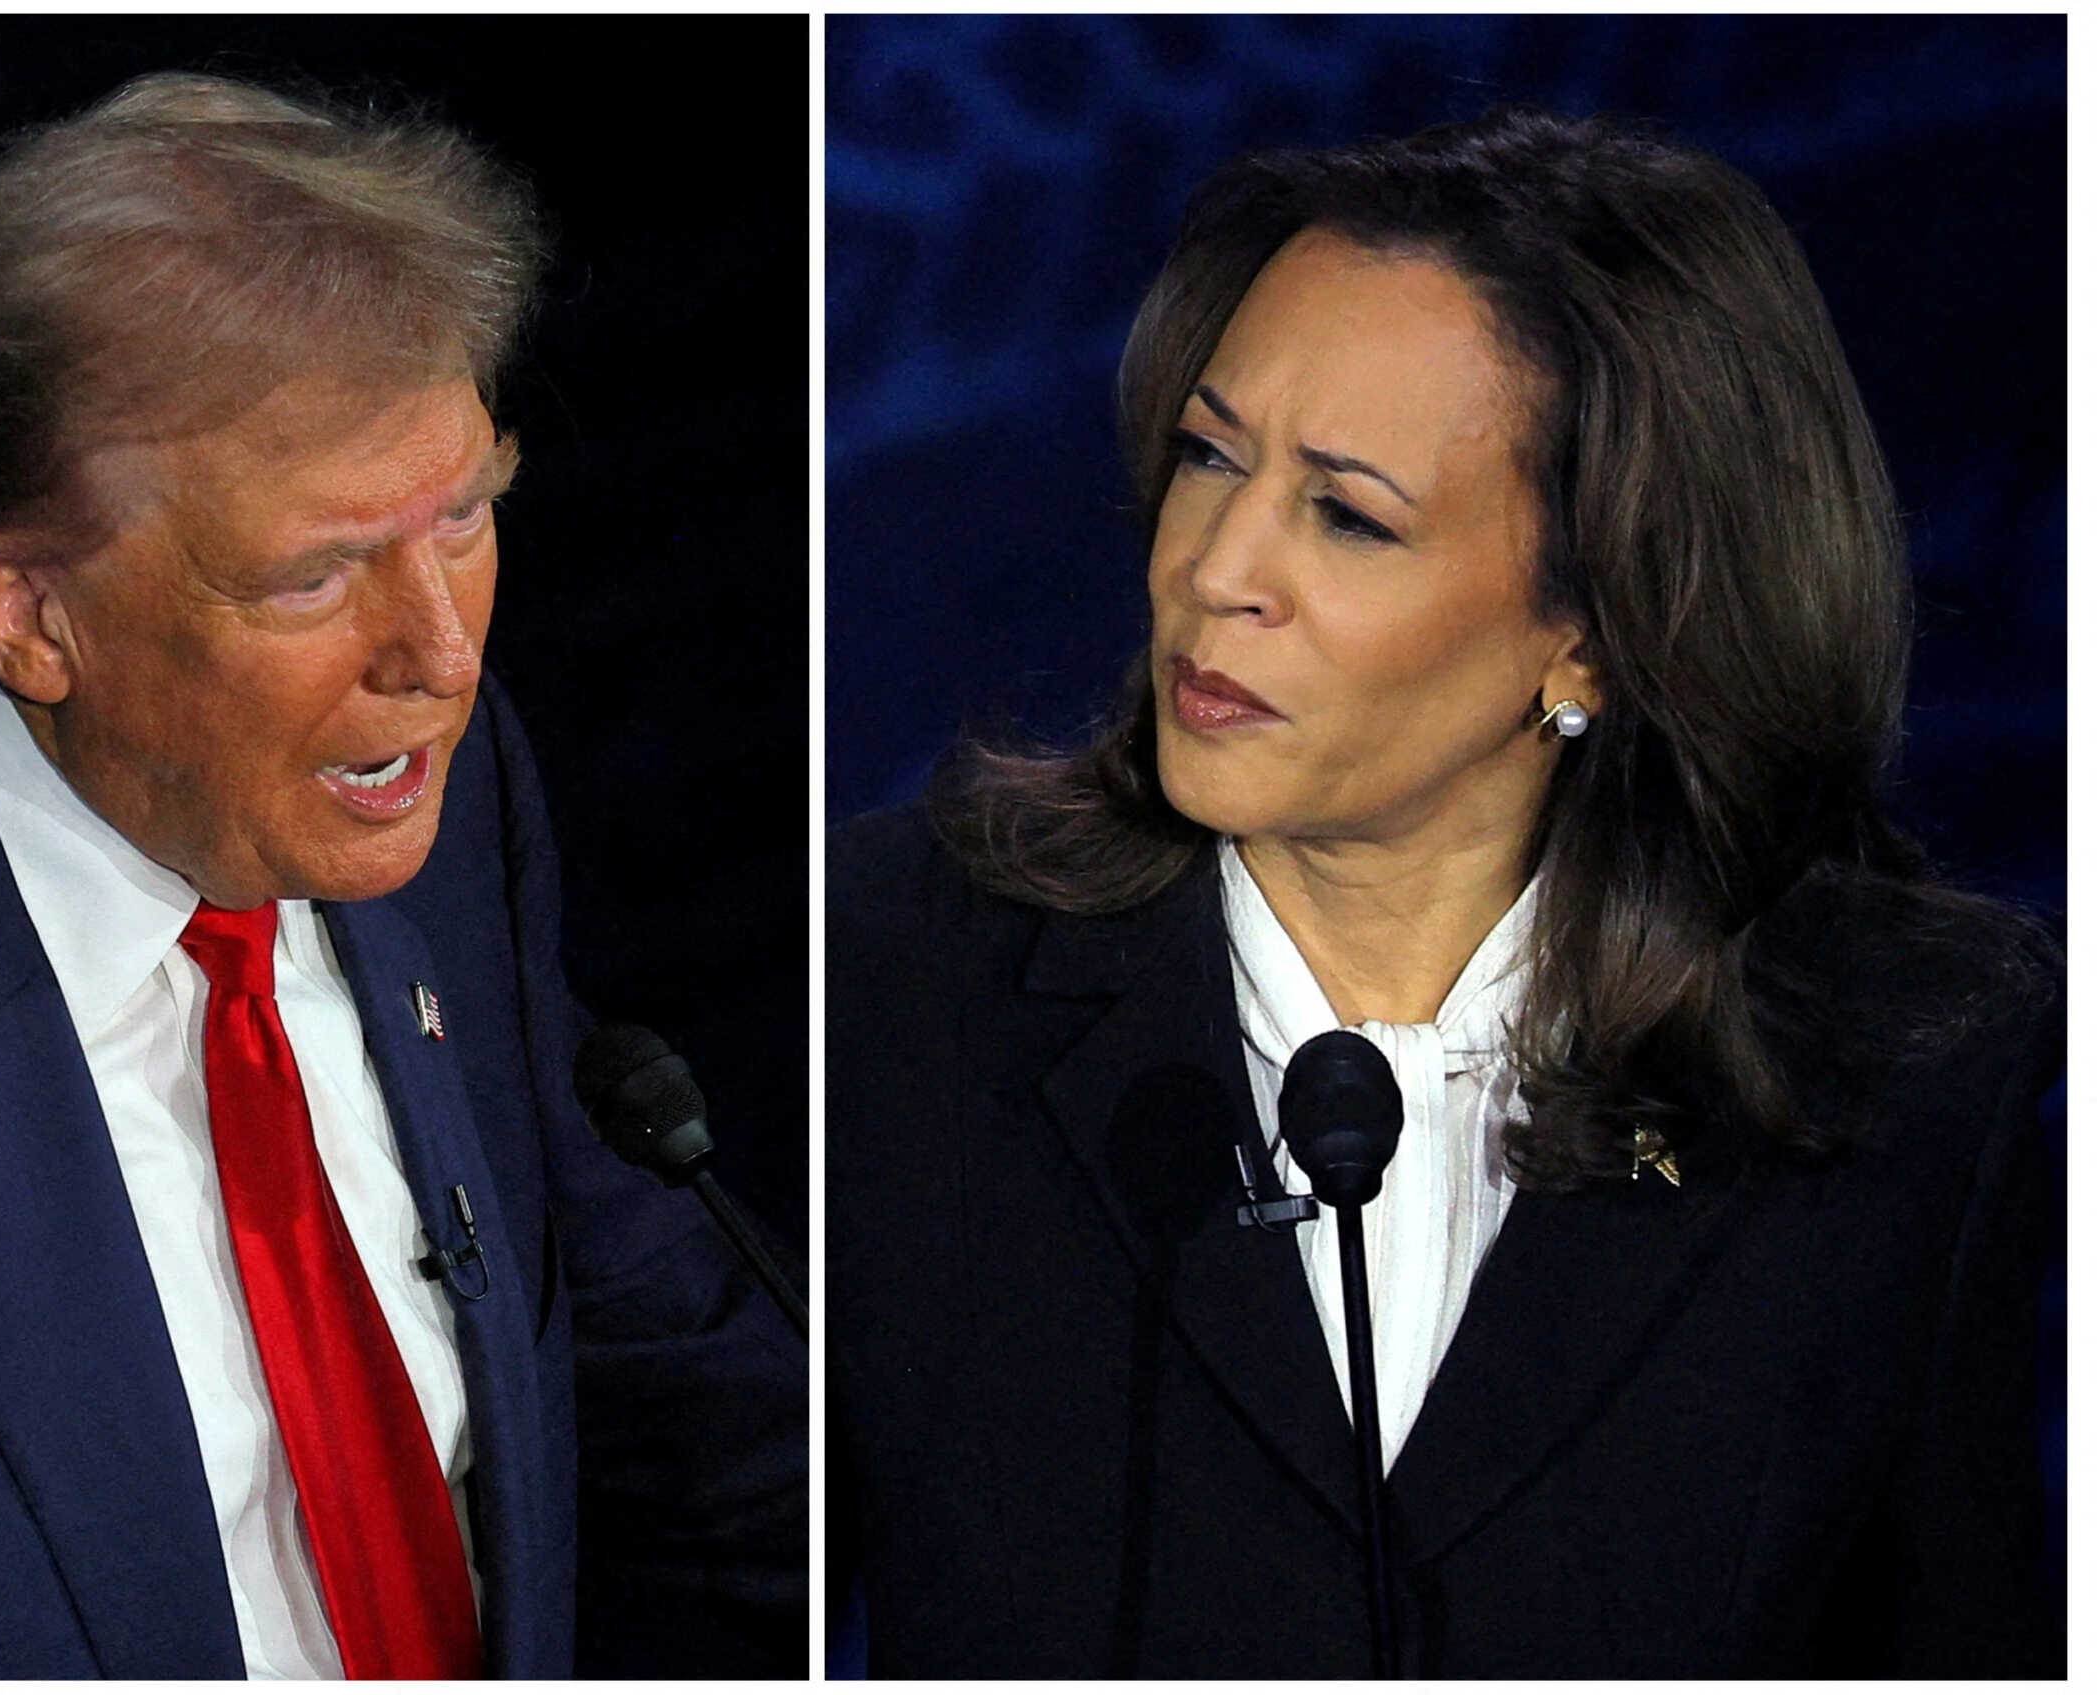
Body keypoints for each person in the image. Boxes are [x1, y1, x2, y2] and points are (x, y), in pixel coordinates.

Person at [0, 72, 805, 1678]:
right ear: (27, 614)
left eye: (467, 516)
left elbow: (678, 1413)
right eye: (315, 574)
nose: (437, 655)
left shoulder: (420, 782)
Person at [828, 106, 2059, 1677]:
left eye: (1348, 512)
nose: (1218, 569)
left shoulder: (1894, 1069)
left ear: (1598, 631)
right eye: (1213, 455)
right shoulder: (887, 982)